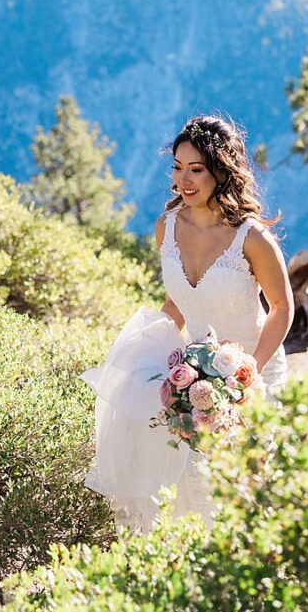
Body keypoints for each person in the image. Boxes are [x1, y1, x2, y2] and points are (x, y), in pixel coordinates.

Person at [81, 113, 294, 530]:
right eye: (178, 168)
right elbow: (180, 300)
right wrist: (148, 348)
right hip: (194, 376)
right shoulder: (167, 227)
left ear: (221, 171)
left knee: (242, 492)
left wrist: (249, 375)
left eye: (197, 169)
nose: (185, 180)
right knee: (184, 481)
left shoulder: (252, 238)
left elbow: (282, 308)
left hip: (253, 370)